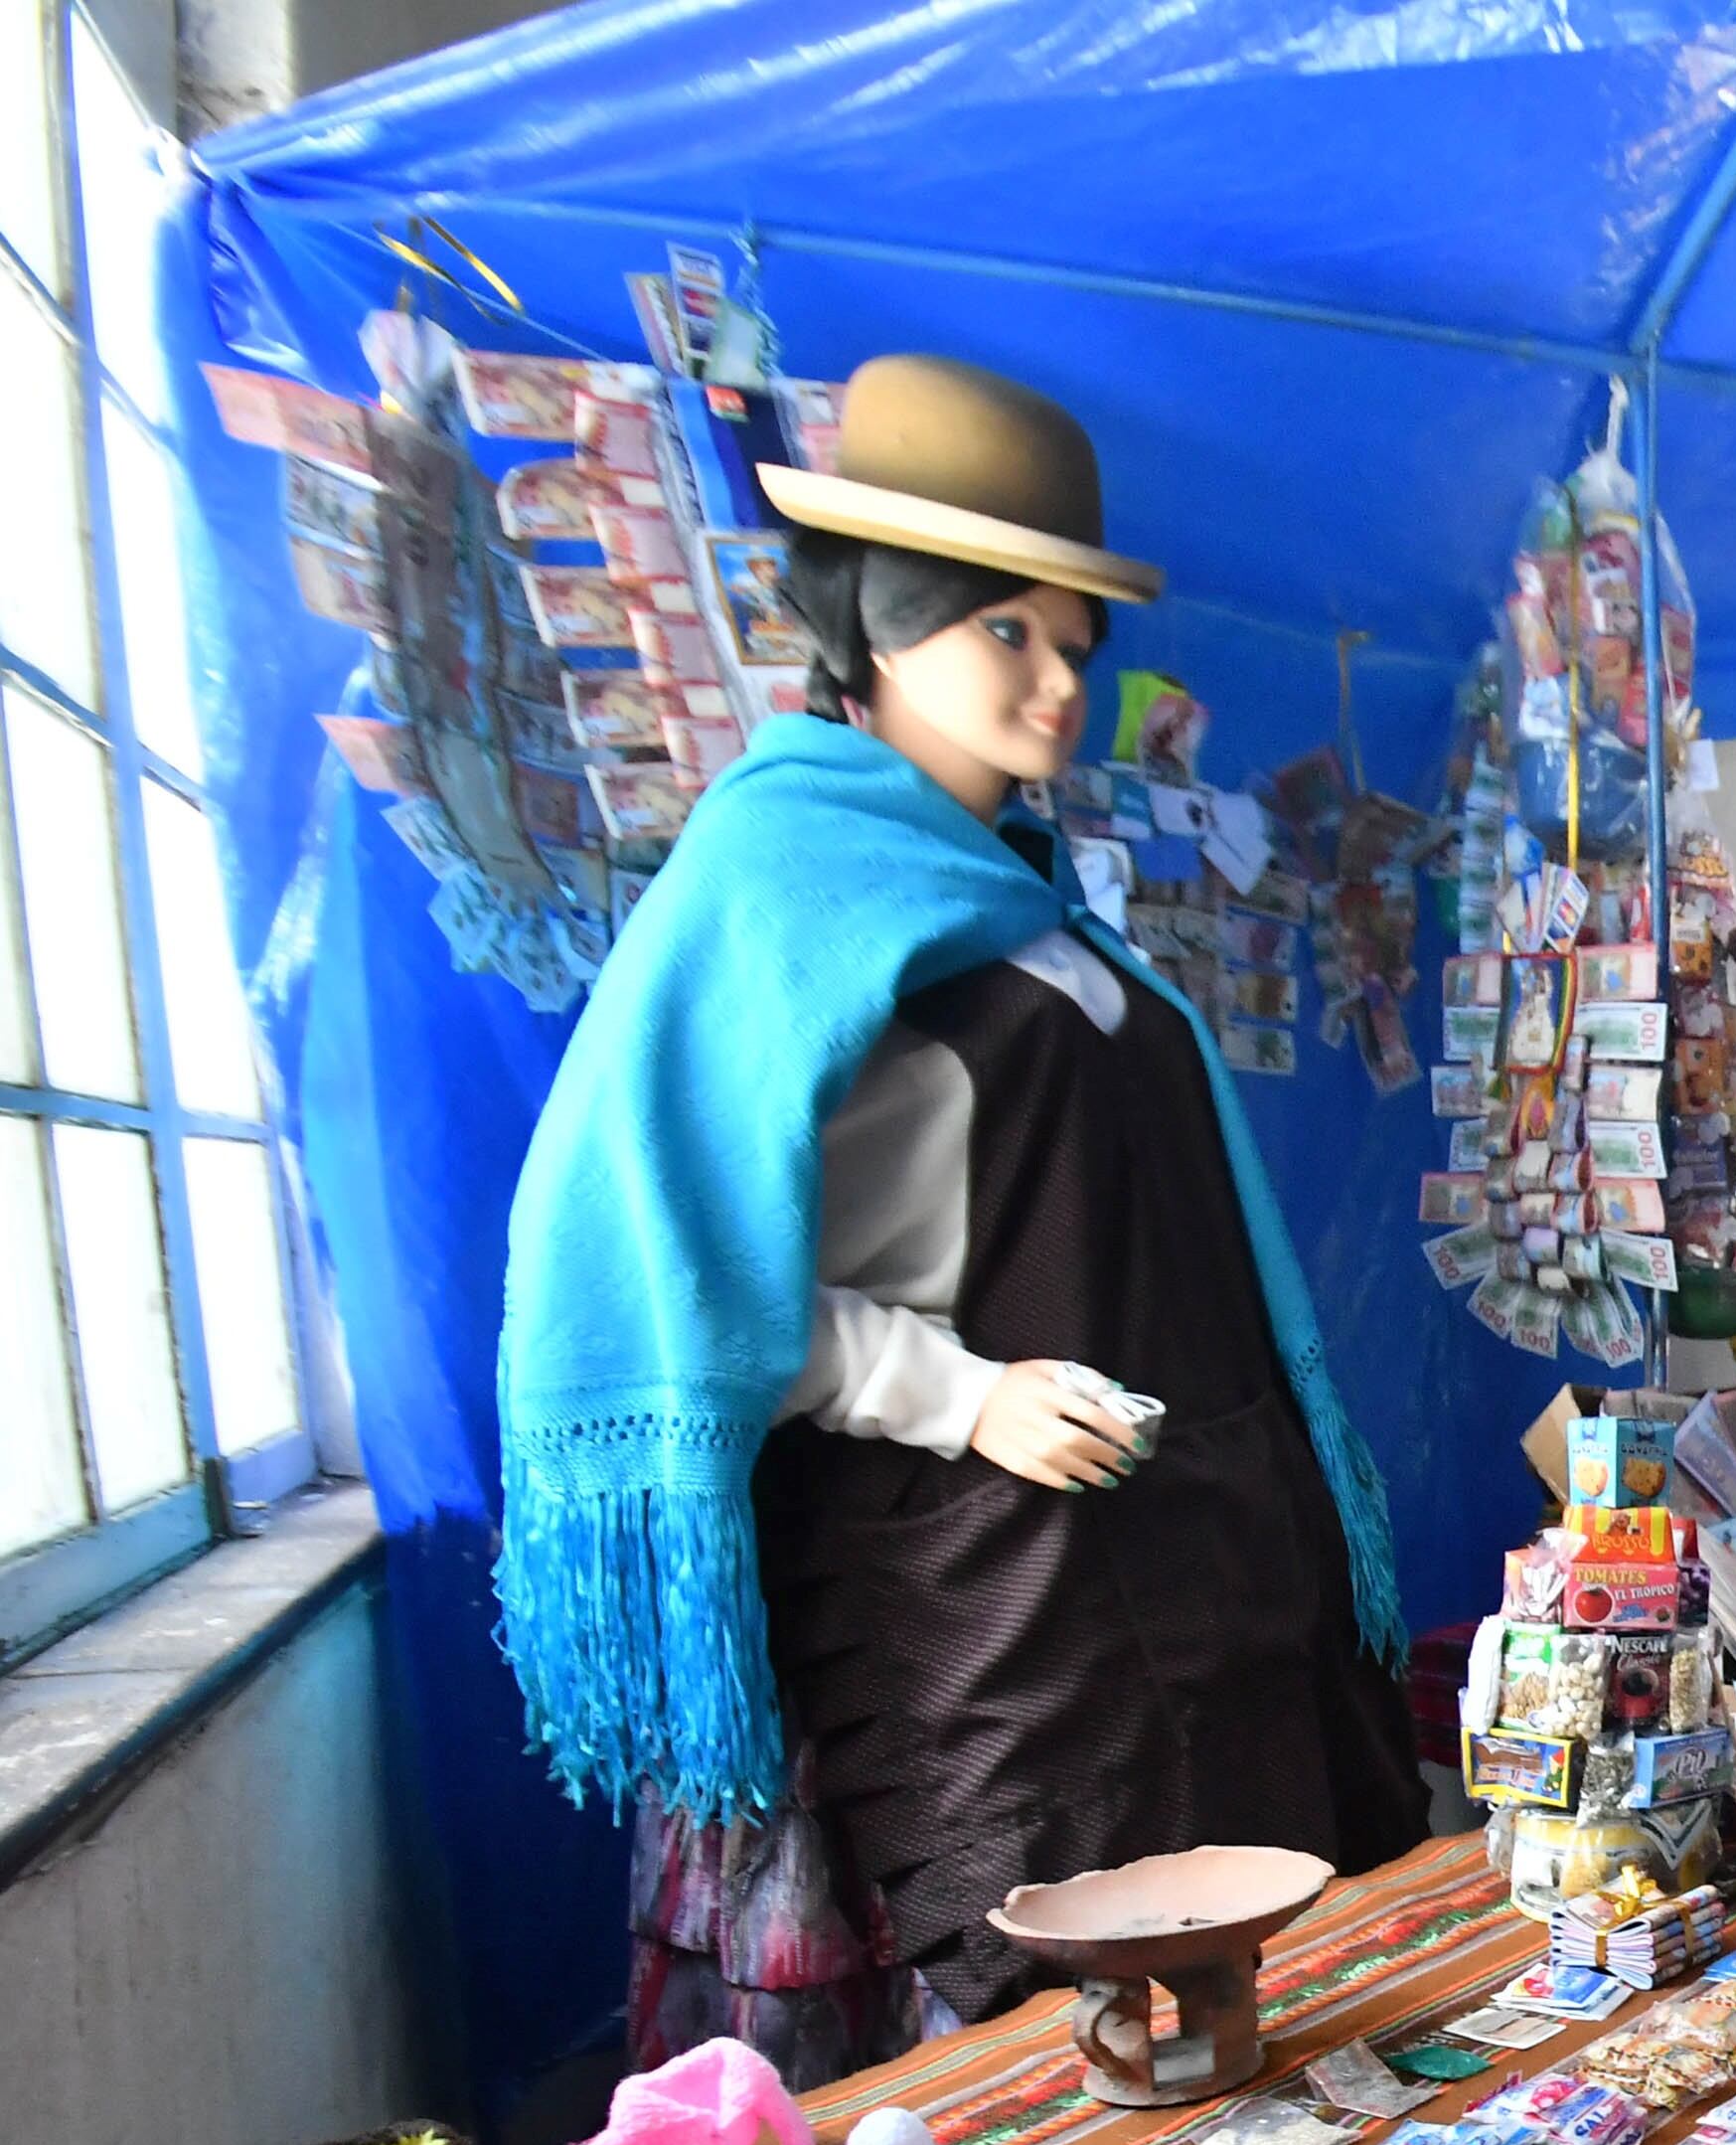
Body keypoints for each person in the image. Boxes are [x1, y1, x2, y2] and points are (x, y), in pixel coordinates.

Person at [498, 354, 1427, 2052]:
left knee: (1217, 2058)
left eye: (1073, 641)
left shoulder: (1027, 909)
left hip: (1155, 1570)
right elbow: (675, 1277)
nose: (1057, 682)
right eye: (1004, 630)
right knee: (1011, 2067)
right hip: (959, 1609)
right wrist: (960, 1394)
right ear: (872, 624)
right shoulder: (770, 889)